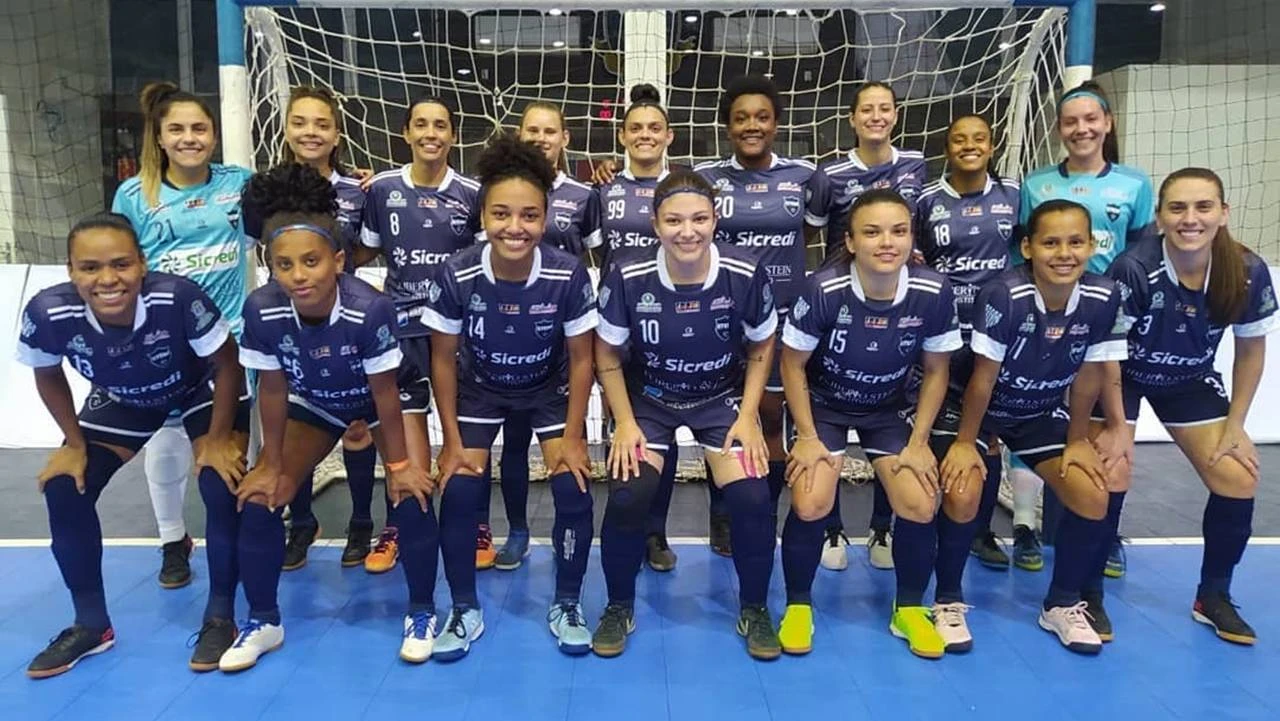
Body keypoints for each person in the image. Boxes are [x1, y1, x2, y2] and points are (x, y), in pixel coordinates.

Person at [19, 213, 251, 677]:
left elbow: (229, 364)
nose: (107, 279)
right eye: (90, 267)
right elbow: (46, 373)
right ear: (70, 270)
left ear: (142, 264)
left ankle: (221, 616)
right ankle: (91, 625)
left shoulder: (178, 298)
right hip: (125, 397)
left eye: (121, 264)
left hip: (200, 387)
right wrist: (74, 442)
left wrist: (217, 440)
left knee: (218, 480)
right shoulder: (48, 312)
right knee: (65, 487)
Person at [235, 163, 437, 668]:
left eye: (311, 261)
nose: (299, 275)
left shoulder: (369, 308)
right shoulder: (261, 309)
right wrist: (270, 463)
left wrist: (398, 466)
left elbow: (384, 392)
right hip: (318, 400)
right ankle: (263, 621)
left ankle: (421, 611)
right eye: (284, 265)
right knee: (261, 497)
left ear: (339, 260)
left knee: (411, 492)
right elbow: (272, 389)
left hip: (384, 397)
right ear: (270, 264)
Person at [423, 133, 599, 659]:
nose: (514, 227)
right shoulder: (457, 272)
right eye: (501, 214)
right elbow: (441, 359)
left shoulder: (568, 273)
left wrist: (574, 436)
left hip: (548, 391)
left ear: (545, 218)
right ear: (483, 215)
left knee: (574, 489)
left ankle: (567, 603)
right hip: (480, 392)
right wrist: (450, 440)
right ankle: (464, 608)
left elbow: (583, 359)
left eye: (529, 215)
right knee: (459, 492)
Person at [592, 170, 781, 659]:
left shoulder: (744, 271)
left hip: (720, 400)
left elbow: (763, 343)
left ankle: (755, 608)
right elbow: (606, 353)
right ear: (655, 224)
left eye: (699, 219)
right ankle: (617, 606)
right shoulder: (627, 275)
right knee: (629, 494)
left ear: (715, 220)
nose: (688, 231)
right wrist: (624, 421)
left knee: (753, 497)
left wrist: (748, 415)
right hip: (648, 401)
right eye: (674, 221)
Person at [939, 199, 1128, 655]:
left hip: (1037, 410)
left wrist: (1078, 440)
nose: (1064, 253)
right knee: (963, 491)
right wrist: (966, 442)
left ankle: (1062, 603)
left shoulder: (1103, 297)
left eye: (1075, 242)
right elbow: (982, 380)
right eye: (1051, 243)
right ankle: (947, 599)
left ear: (1092, 245)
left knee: (1092, 492)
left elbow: (1090, 372)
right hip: (974, 407)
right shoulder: (1004, 295)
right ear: (1027, 248)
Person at [780, 190, 961, 658]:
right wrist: (806, 437)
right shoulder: (823, 289)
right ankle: (798, 605)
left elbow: (937, 370)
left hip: (888, 408)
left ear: (912, 238)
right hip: (824, 406)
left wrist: (919, 441)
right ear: (850, 241)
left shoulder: (932, 291)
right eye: (872, 232)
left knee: (920, 502)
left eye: (898, 231)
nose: (887, 242)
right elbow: (792, 364)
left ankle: (909, 610)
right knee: (811, 500)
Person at [1102, 167, 1274, 645]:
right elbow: (1107, 355)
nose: (1190, 219)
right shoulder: (1134, 268)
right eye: (1177, 208)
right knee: (1111, 470)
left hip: (1188, 378)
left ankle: (1213, 595)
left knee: (1237, 475)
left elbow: (1251, 351)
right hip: (1122, 375)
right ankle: (1086, 590)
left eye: (1203, 207)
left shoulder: (1247, 269)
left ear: (1224, 213)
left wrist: (1236, 424)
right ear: (1159, 217)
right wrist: (1117, 426)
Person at [111, 81, 253, 589]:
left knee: (229, 450)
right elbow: (120, 266)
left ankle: (239, 537)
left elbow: (290, 208)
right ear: (159, 136)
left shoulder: (240, 183)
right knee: (168, 440)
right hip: (165, 346)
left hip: (229, 345)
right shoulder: (134, 195)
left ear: (214, 135)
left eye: (199, 128)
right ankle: (173, 539)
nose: (189, 138)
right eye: (177, 129)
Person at [1020, 80, 1156, 578]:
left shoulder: (1134, 184)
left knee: (1102, 430)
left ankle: (1104, 532)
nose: (1081, 129)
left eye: (1090, 119)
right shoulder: (1036, 184)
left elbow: (1143, 255)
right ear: (1059, 129)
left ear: (1107, 123)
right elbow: (1022, 253)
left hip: (1106, 324)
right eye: (1071, 121)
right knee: (1033, 415)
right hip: (1046, 321)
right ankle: (1024, 523)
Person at [243, 85, 378, 571]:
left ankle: (361, 523)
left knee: (357, 426)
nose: (311, 132)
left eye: (322, 123)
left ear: (337, 134)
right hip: (287, 323)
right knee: (286, 422)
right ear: (285, 129)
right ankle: (301, 523)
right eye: (300, 122)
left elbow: (365, 249)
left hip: (345, 323)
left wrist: (337, 277)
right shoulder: (262, 191)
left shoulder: (358, 191)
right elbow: (259, 245)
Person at [472, 101, 603, 572]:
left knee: (565, 453)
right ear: (520, 134)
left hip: (559, 339)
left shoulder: (585, 194)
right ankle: (517, 530)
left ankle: (569, 561)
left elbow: (599, 256)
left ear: (564, 138)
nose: (541, 138)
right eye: (533, 130)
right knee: (512, 443)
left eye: (550, 131)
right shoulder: (496, 191)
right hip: (506, 339)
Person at [694, 74, 822, 554]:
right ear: (727, 126)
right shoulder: (707, 178)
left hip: (785, 317)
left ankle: (762, 512)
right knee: (723, 418)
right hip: (723, 317)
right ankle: (722, 513)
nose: (752, 126)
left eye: (762, 117)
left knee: (773, 418)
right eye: (741, 118)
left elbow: (811, 236)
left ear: (776, 123)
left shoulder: (804, 177)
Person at [354, 96, 481, 574]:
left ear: (453, 135)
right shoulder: (382, 189)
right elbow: (358, 256)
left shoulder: (471, 193)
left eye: (441, 125)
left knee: (467, 432)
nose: (431, 133)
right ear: (406, 132)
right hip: (401, 334)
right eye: (421, 125)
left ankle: (476, 524)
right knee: (404, 445)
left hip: (456, 333)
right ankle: (401, 525)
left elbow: (483, 264)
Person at [809, 81, 929, 570]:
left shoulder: (917, 165)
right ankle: (831, 528)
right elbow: (814, 236)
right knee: (830, 416)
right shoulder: (831, 174)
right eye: (867, 110)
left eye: (885, 109)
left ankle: (882, 526)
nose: (876, 116)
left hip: (898, 301)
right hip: (845, 303)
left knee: (891, 410)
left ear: (895, 116)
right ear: (853, 119)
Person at [913, 114, 1023, 570]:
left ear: (992, 146)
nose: (970, 145)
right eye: (959, 139)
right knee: (927, 429)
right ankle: (920, 520)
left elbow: (1031, 247)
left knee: (986, 435)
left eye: (979, 138)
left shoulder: (1013, 193)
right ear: (947, 149)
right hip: (941, 331)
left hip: (995, 331)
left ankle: (980, 531)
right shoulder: (927, 200)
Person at [592, 84, 687, 569]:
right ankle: (625, 525)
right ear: (623, 136)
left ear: (669, 136)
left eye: (654, 128)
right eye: (636, 128)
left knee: (663, 432)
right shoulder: (604, 189)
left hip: (671, 328)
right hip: (616, 328)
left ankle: (656, 532)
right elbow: (587, 249)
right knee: (623, 429)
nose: (645, 135)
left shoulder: (685, 187)